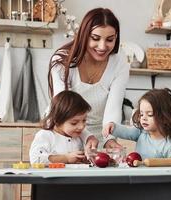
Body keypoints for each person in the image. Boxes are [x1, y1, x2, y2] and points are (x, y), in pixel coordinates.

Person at [48, 8, 129, 149]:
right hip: (65, 131)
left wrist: (109, 138)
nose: (102, 46)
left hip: (100, 135)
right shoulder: (63, 60)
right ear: (84, 35)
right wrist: (86, 135)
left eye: (110, 39)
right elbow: (63, 108)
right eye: (95, 38)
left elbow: (114, 107)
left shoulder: (119, 61)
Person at [103, 88, 171, 160]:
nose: (144, 118)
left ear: (165, 117)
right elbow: (126, 131)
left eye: (150, 114)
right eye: (141, 114)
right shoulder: (141, 132)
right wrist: (113, 127)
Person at [29, 90, 92, 164]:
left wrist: (85, 158)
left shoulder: (78, 136)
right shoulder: (45, 135)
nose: (81, 126)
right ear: (57, 121)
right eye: (74, 123)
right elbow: (36, 159)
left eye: (84, 120)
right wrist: (66, 158)